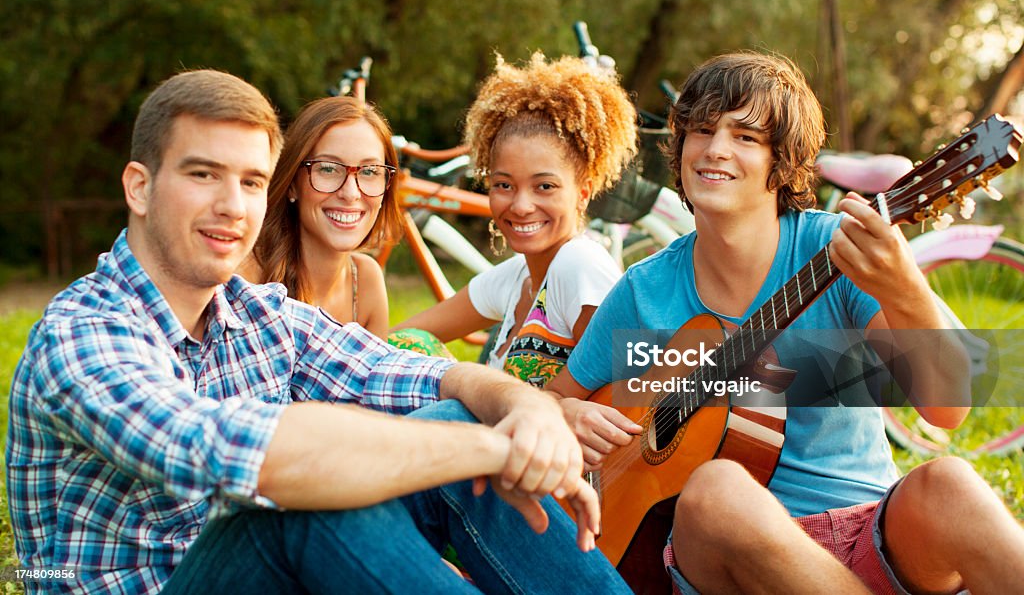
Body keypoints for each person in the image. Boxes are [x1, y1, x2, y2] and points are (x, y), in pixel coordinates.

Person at [6, 69, 630, 595]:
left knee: (455, 416)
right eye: (203, 175)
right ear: (139, 188)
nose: (232, 205)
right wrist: (498, 449)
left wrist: (527, 408)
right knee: (293, 510)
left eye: (250, 181)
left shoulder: (256, 312)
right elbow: (252, 458)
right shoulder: (83, 334)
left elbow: (408, 370)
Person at [547, 52, 1024, 593]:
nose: (716, 149)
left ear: (782, 161)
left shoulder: (834, 249)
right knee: (716, 491)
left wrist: (905, 289)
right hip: (731, 549)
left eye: (746, 137)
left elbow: (948, 409)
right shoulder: (645, 290)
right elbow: (550, 400)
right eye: (701, 130)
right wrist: (567, 415)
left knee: (948, 483)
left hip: (867, 532)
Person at [394, 53, 638, 386]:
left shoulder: (579, 264)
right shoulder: (517, 276)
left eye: (545, 186)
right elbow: (404, 337)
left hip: (547, 437)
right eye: (504, 185)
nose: (521, 205)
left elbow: (635, 389)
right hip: (492, 433)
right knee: (410, 345)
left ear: (583, 192)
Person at [239, 95, 399, 339]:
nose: (351, 193)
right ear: (292, 183)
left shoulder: (365, 279)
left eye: (369, 171)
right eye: (328, 168)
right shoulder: (247, 276)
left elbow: (376, 376)